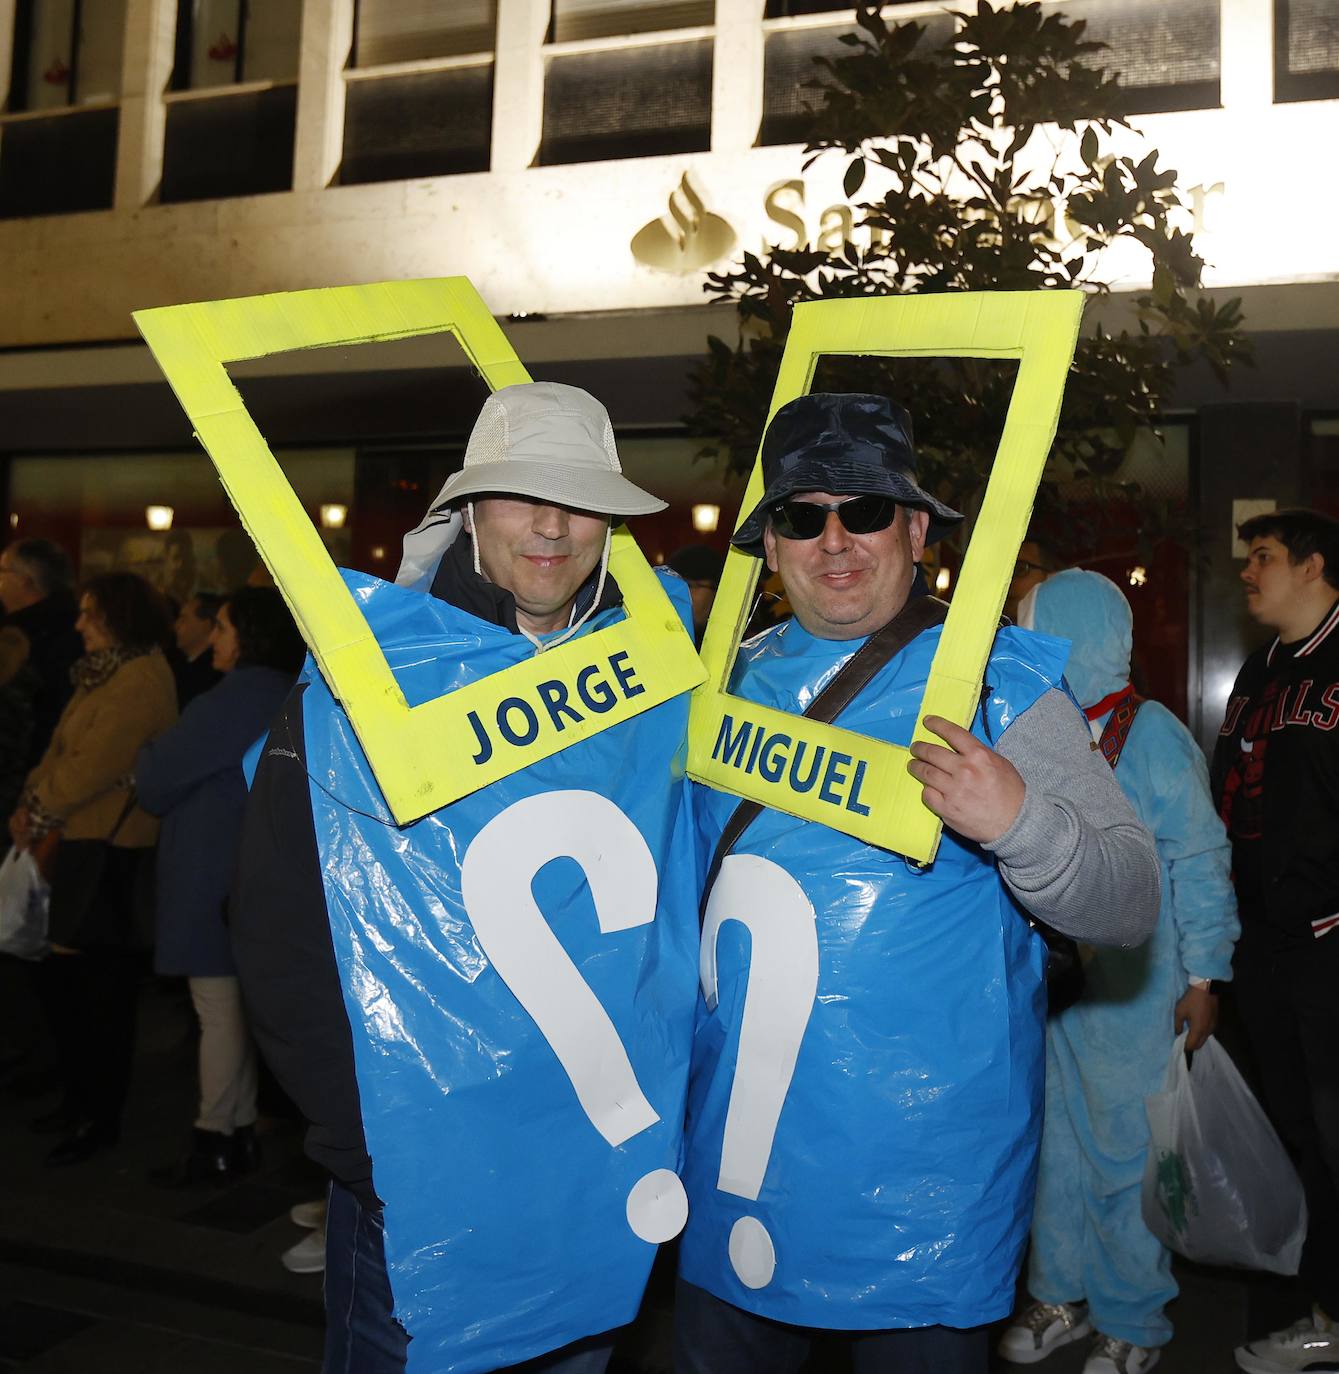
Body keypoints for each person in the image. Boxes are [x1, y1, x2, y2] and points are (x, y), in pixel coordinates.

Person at [674, 393, 1160, 1374]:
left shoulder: (993, 684)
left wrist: (1019, 820)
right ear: (769, 546)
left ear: (917, 530)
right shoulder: (716, 686)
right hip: (735, 1162)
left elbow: (1129, 897)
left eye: (864, 510)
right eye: (801, 516)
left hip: (922, 1196)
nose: (834, 539)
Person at [231, 382, 701, 1373]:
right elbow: (280, 926)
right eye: (520, 493)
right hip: (425, 1175)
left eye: (579, 498)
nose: (551, 523)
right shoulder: (371, 678)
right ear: (465, 511)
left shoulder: (658, 670)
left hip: (597, 1170)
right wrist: (374, 1147)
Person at [998, 570, 1238, 1374]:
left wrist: (1203, 976)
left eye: (1032, 623)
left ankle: (1133, 1317)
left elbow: (1200, 856)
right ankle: (1060, 1292)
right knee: (1056, 1153)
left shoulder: (1152, 734)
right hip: (1055, 993)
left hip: (1136, 995)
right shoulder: (1036, 729)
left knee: (1127, 1158)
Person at [1209, 509, 1339, 1374]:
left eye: (1262, 559)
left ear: (1313, 566)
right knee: (1301, 1132)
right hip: (1264, 944)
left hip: (1331, 944)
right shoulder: (1258, 670)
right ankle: (1324, 1306)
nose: (1248, 574)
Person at [137, 587, 305, 1186]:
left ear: (250, 638)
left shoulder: (232, 699)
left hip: (212, 870)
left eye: (225, 628)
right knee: (236, 1010)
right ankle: (236, 1129)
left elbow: (155, 777)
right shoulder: (293, 692)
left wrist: (149, 756)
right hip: (261, 876)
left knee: (216, 1011)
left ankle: (216, 1138)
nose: (215, 638)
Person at [10, 572, 177, 1166]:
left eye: (89, 613)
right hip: (76, 842)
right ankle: (78, 1100)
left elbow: (93, 763)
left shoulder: (137, 678)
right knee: (70, 987)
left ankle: (97, 1115)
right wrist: (35, 799)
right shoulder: (105, 672)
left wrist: (35, 807)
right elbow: (61, 751)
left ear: (117, 617)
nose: (78, 623)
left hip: (105, 850)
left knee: (99, 995)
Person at [0, 538, 83, 768]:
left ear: (25, 581)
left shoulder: (52, 637)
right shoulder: (67, 625)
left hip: (27, 774)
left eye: (2, 571)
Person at [171, 591, 225, 708]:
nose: (176, 625)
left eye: (184, 619)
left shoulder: (213, 675)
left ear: (205, 625)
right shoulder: (176, 662)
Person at [667, 544, 725, 644]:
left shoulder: (742, 649)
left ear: (717, 593)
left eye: (691, 586)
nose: (680, 594)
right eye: (673, 587)